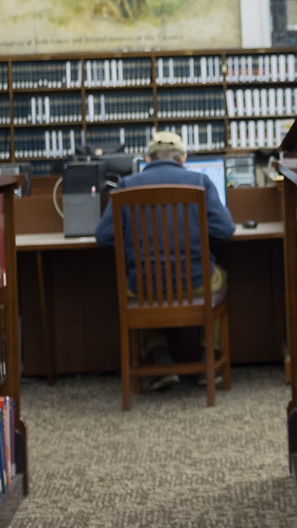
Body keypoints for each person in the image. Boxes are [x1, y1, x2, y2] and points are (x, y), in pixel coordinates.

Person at [95, 130, 235, 390]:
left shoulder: (126, 185)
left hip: (145, 287)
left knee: (138, 285)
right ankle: (207, 361)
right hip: (195, 282)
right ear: (183, 158)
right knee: (220, 277)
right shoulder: (200, 181)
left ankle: (161, 359)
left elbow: (103, 237)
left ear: (148, 158)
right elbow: (225, 231)